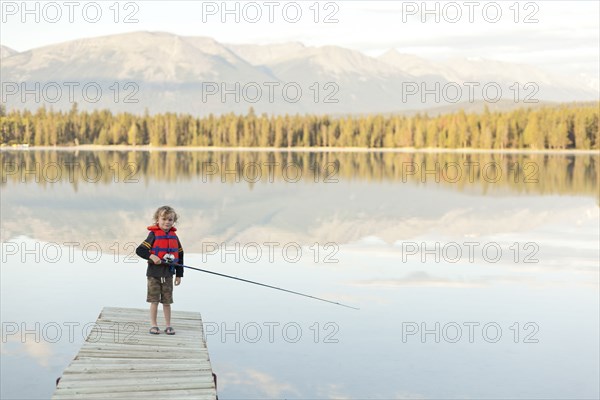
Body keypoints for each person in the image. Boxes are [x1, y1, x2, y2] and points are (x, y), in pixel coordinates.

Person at [136, 205, 184, 335]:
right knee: (154, 301)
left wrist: (179, 275)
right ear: (157, 219)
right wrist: (152, 256)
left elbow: (180, 255)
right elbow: (140, 250)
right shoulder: (153, 235)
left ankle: (168, 325)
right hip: (153, 274)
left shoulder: (174, 237)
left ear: (173, 221)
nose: (167, 222)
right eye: (164, 219)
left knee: (167, 302)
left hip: (168, 274)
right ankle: (154, 325)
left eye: (170, 220)